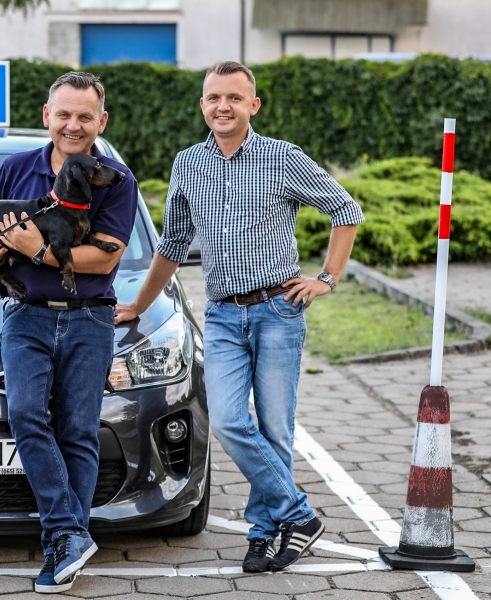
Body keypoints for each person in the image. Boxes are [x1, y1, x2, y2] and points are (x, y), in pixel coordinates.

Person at [115, 61, 364, 573]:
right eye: (213, 98)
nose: (222, 106)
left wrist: (327, 277)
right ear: (202, 105)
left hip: (279, 310)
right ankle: (300, 515)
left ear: (253, 105)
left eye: (233, 97)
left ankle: (263, 533)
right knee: (229, 422)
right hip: (224, 316)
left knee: (274, 430)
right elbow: (173, 244)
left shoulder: (282, 157)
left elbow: (346, 211)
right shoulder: (188, 164)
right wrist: (138, 305)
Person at [0, 72, 137, 594]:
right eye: (64, 114)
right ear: (47, 116)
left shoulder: (116, 180)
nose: (73, 125)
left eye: (85, 116)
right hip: (27, 315)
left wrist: (35, 249)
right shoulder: (15, 170)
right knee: (26, 415)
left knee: (78, 431)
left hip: (91, 317)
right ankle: (68, 533)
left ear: (102, 121)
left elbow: (104, 258)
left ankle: (62, 544)